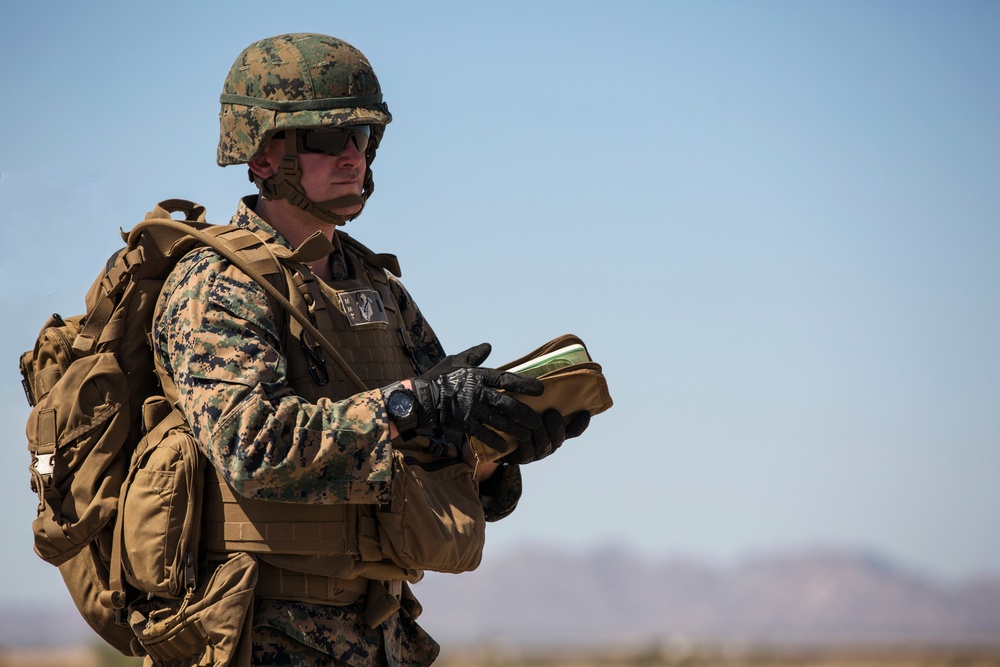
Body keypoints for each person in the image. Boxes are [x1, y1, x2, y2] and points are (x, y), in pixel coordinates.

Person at [151, 33, 590, 666]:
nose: (354, 157)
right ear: (263, 154)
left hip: (378, 633)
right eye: (329, 140)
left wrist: (493, 451)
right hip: (259, 634)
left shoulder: (378, 289)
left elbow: (421, 451)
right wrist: (414, 405)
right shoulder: (218, 284)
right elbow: (252, 445)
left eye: (363, 138)